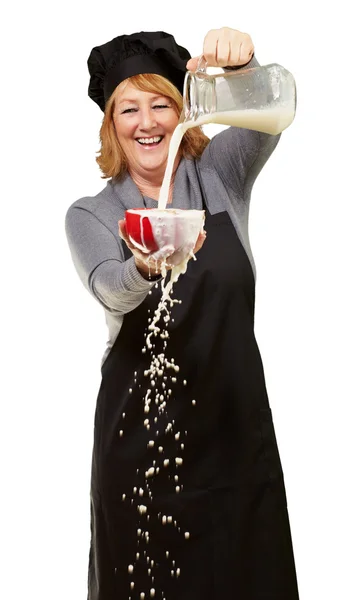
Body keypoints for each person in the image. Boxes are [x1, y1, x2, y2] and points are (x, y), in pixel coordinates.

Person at [65, 27, 300, 600]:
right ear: (111, 124)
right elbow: (109, 288)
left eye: (162, 104)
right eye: (129, 108)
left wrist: (243, 64)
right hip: (142, 445)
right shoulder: (91, 213)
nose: (147, 121)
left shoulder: (221, 174)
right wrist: (145, 268)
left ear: (183, 111)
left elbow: (278, 109)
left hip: (235, 432)